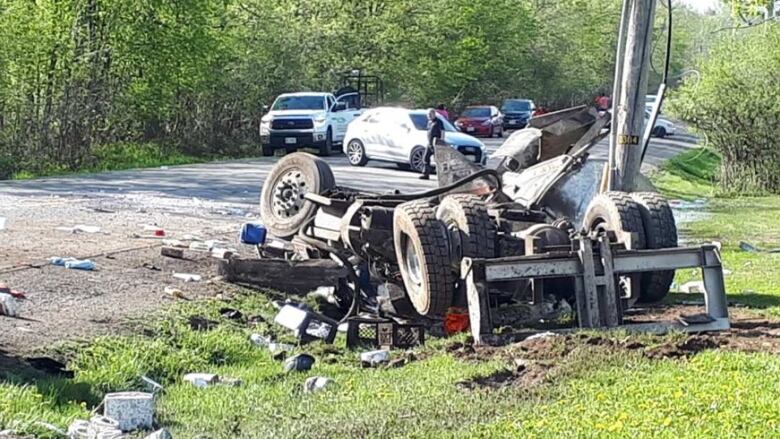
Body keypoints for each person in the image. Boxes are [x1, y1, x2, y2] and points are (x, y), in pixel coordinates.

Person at [420, 109, 445, 180]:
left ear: (434, 114)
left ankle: (442, 176)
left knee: (438, 160)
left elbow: (442, 131)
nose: (429, 116)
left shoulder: (438, 122)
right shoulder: (429, 122)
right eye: (428, 115)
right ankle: (426, 174)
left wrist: (442, 141)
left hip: (436, 143)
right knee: (425, 158)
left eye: (430, 114)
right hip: (430, 143)